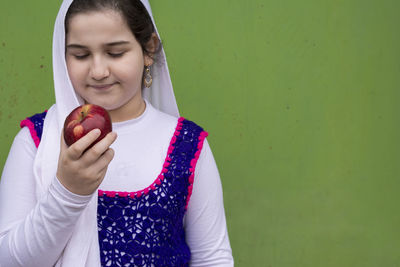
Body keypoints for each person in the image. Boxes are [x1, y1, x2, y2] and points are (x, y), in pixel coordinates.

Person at [0, 0, 234, 266]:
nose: (98, 71)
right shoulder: (37, 141)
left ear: (149, 49)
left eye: (115, 53)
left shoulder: (186, 145)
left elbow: (212, 258)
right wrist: (68, 192)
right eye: (80, 55)